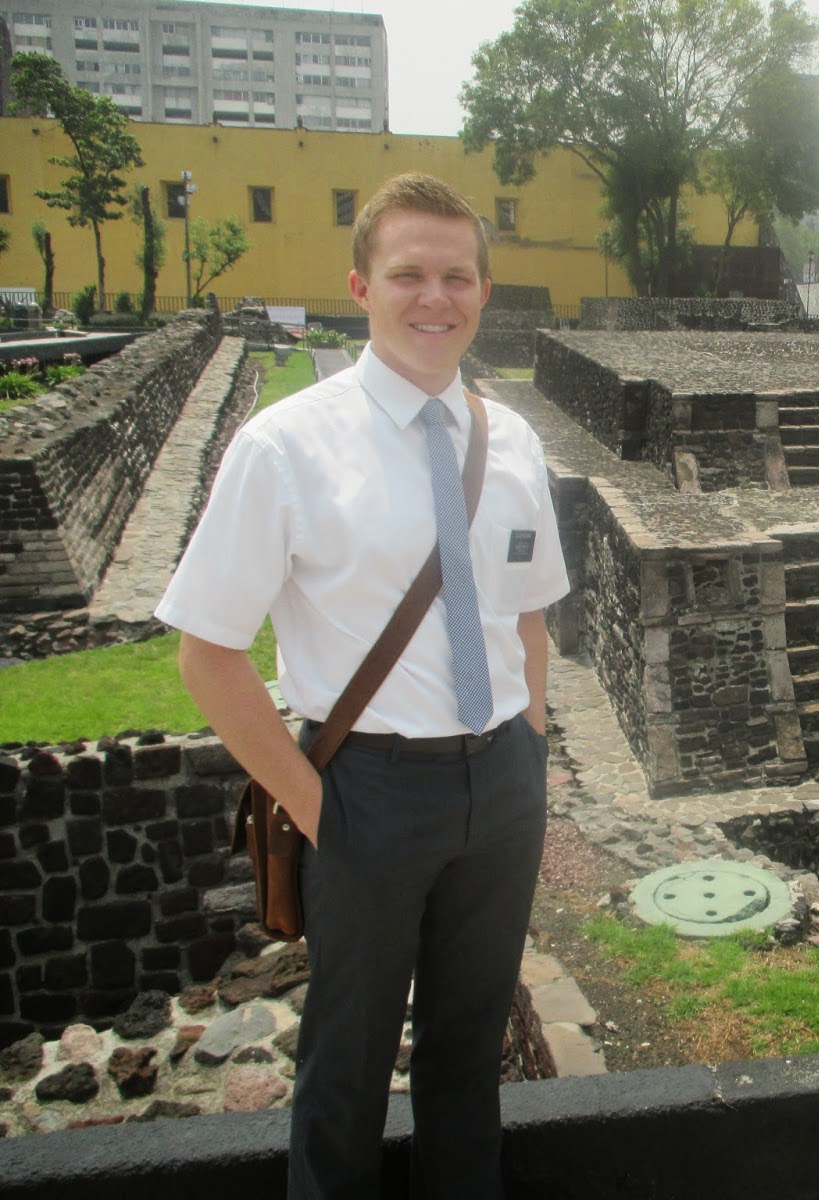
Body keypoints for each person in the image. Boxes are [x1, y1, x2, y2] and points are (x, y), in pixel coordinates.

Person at [156, 171, 568, 1197]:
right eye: (408, 274)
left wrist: (531, 741)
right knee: (346, 1066)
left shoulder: (512, 441)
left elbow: (527, 611)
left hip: (501, 784)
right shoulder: (288, 445)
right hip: (366, 791)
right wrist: (316, 807)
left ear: (484, 292)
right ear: (360, 287)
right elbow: (206, 650)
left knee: (469, 1054)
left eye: (458, 276)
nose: (436, 297)